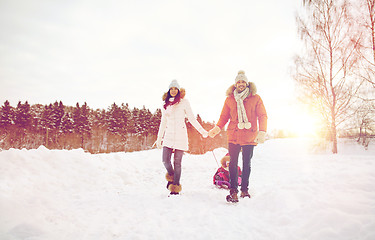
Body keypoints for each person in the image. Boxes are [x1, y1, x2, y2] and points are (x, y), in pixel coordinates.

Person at [208, 70, 267, 202]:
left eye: (243, 81)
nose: (241, 83)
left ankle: (244, 190)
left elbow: (262, 115)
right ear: (235, 84)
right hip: (233, 134)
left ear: (247, 83)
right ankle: (233, 190)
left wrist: (262, 131)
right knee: (232, 163)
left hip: (249, 135)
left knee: (247, 163)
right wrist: (217, 128)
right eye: (238, 81)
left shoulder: (256, 98)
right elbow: (224, 116)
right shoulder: (229, 99)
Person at [156, 80, 208, 195]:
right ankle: (172, 176)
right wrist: (159, 138)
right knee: (165, 160)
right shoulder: (165, 105)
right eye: (171, 89)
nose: (173, 91)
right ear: (169, 91)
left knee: (177, 162)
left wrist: (203, 132)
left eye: (175, 89)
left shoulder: (184, 102)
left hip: (181, 135)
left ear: (178, 90)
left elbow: (192, 119)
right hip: (168, 136)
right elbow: (163, 122)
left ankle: (175, 186)